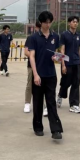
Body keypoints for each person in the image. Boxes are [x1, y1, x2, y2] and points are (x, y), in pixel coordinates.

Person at [26, 11, 64, 140]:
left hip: (51, 74)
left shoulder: (55, 36)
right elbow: (31, 56)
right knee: (37, 102)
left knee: (51, 102)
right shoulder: (34, 38)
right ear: (40, 23)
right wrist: (35, 75)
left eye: (49, 22)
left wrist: (57, 58)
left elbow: (58, 54)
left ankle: (56, 130)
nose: (47, 25)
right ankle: (38, 127)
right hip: (38, 74)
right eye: (45, 22)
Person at [57, 16, 80, 114]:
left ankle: (74, 104)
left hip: (76, 62)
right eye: (73, 22)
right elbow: (62, 50)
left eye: (76, 22)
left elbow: (79, 49)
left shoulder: (79, 36)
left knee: (76, 83)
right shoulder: (64, 35)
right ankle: (60, 95)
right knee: (66, 82)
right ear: (69, 23)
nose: (75, 23)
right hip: (67, 63)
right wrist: (63, 65)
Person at [24, 22, 47, 115]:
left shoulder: (47, 38)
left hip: (44, 66)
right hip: (32, 65)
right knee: (30, 84)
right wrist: (34, 57)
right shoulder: (31, 38)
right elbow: (26, 52)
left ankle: (45, 106)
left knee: (44, 86)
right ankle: (27, 103)